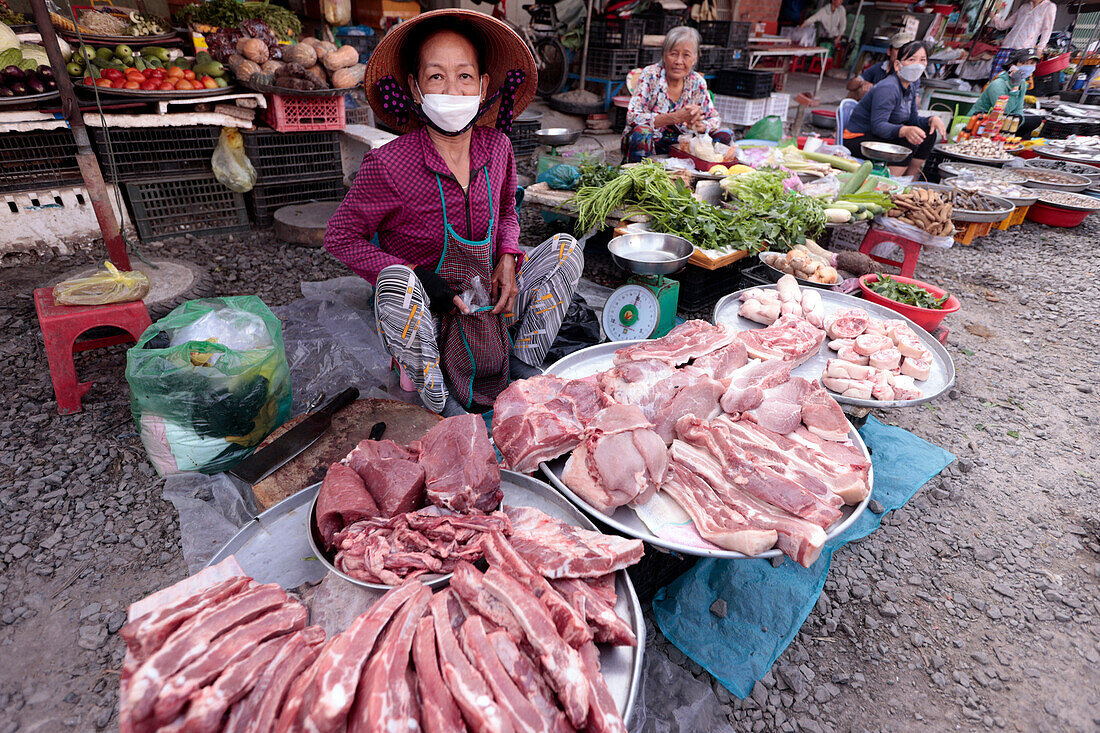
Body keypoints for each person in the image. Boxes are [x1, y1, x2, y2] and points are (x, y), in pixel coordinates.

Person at [324, 9, 583, 417]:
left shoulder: (497, 148)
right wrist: (420, 277)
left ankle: (521, 366)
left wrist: (509, 256)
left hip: (491, 308)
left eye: (464, 76)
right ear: (415, 87)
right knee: (395, 282)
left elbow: (507, 215)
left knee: (566, 249)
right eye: (436, 76)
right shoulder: (389, 165)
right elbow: (340, 238)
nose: (452, 89)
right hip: (428, 320)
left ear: (483, 87)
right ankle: (441, 403)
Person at [622, 26, 731, 163]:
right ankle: (637, 176)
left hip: (683, 144)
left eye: (686, 55)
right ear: (664, 54)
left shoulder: (697, 82)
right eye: (673, 54)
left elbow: (714, 119)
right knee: (641, 133)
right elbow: (632, 117)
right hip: (653, 142)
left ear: (695, 58)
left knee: (725, 134)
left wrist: (701, 125)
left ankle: (705, 175)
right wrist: (675, 117)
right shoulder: (650, 75)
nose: (679, 61)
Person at [843, 41, 947, 178]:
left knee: (928, 133)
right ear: (898, 65)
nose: (918, 65)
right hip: (858, 138)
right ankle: (890, 183)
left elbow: (913, 119)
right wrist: (903, 130)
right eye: (911, 59)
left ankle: (910, 179)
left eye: (922, 60)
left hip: (881, 136)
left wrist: (931, 120)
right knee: (907, 140)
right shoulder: (888, 88)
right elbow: (878, 126)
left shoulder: (912, 84)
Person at [969, 49, 1044, 138]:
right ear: (1012, 65)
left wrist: (1017, 121)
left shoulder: (1022, 82)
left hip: (1004, 121)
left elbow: (1019, 108)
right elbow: (1005, 111)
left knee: (1035, 120)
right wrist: (1015, 88)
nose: (1029, 67)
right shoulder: (998, 84)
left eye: (1032, 63)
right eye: (1025, 63)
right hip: (982, 122)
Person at [989, 0, 1055, 76]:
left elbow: (1047, 29)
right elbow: (1003, 25)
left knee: (1010, 81)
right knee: (994, 78)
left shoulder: (1049, 7)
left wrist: (1040, 49)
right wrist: (994, 17)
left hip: (1022, 52)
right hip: (1006, 47)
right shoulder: (1024, 7)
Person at [847, 32, 913, 101]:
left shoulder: (911, 75)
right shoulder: (879, 68)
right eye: (898, 49)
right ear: (889, 51)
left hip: (892, 107)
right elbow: (850, 85)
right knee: (858, 91)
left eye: (906, 50)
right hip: (874, 106)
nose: (901, 53)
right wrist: (862, 83)